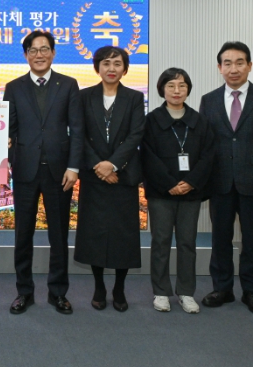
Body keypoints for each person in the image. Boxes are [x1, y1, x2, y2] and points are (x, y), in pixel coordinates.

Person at [199, 41, 253, 315]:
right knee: (220, 239)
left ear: (249, 65)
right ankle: (222, 288)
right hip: (220, 182)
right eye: (227, 63)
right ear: (219, 68)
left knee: (252, 240)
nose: (233, 68)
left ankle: (251, 292)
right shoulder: (209, 100)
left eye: (239, 62)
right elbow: (204, 145)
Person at [3, 31, 83, 315]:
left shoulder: (69, 84)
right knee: (22, 235)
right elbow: (8, 129)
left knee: (58, 236)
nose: (39, 54)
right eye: (33, 50)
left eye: (44, 49)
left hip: (60, 172)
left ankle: (58, 293)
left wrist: (74, 167)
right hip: (25, 170)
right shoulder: (14, 87)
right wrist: (8, 158)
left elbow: (77, 129)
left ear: (53, 53)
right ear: (26, 55)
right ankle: (24, 292)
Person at [74, 45, 145, 312]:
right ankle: (99, 287)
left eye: (117, 63)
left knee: (123, 235)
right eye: (106, 63)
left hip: (122, 177)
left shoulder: (134, 97)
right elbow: (78, 134)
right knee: (94, 233)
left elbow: (136, 135)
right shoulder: (84, 97)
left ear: (125, 69)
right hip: (94, 178)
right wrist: (98, 166)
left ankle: (119, 288)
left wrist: (113, 165)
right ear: (97, 68)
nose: (111, 68)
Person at [142, 68, 215, 314]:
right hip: (161, 193)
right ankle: (161, 292)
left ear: (188, 90)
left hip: (191, 193)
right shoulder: (151, 120)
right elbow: (147, 156)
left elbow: (208, 155)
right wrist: (169, 183)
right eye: (171, 85)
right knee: (160, 241)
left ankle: (186, 292)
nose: (176, 90)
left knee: (187, 243)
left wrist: (191, 182)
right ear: (162, 89)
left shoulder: (200, 121)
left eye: (182, 86)